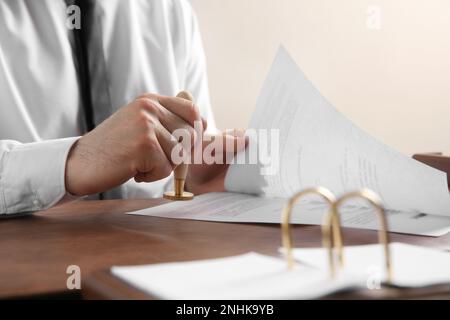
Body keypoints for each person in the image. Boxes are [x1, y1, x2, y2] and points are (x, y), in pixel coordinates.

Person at [0, 0, 245, 216]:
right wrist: (76, 161)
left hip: (156, 254)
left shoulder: (172, 11)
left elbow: (186, 166)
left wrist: (192, 180)